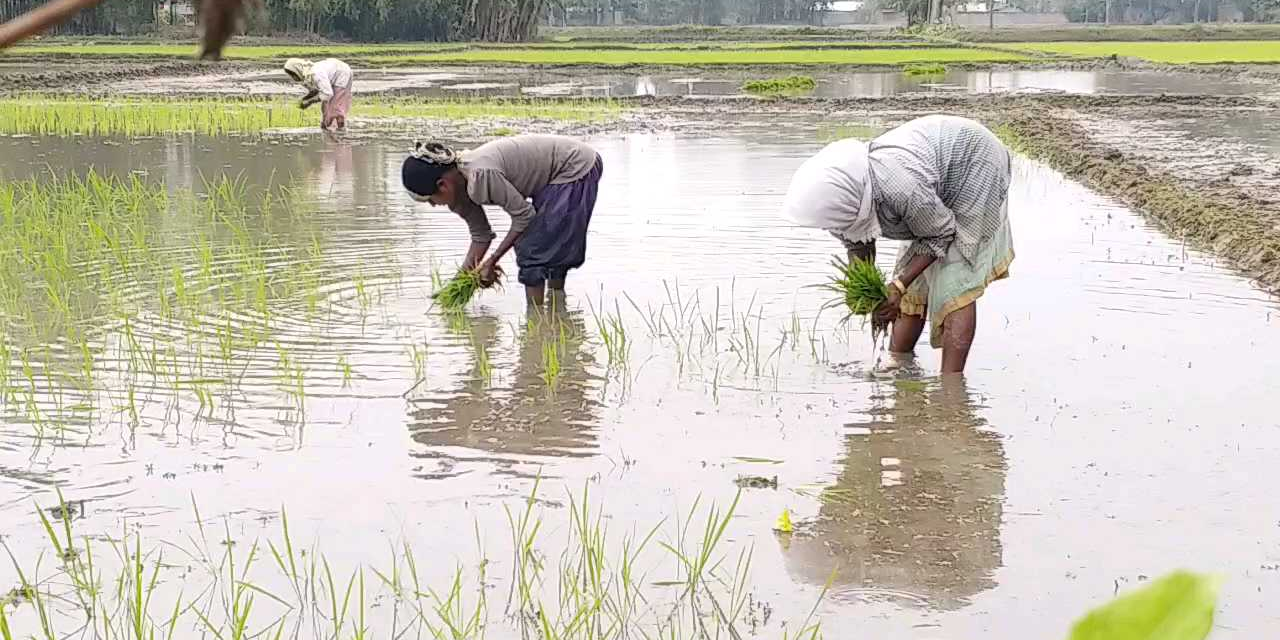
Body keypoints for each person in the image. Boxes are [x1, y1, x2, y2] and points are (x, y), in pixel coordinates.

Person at [782, 114, 1014, 373]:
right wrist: (868, 297)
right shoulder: (845, 206)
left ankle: (951, 388)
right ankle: (898, 362)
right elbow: (858, 246)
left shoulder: (900, 187)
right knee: (909, 282)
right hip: (930, 186)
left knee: (956, 280)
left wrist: (898, 284)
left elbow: (940, 233)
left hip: (975, 163)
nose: (829, 229)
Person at [400, 135, 604, 309]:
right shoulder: (461, 191)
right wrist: (458, 284)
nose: (434, 206)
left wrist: (492, 261)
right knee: (546, 245)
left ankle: (536, 321)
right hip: (556, 174)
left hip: (574, 167)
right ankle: (555, 310)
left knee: (532, 250)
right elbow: (481, 236)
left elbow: (524, 215)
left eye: (430, 201)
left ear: (443, 186)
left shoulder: (480, 175)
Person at [283, 58, 353, 131]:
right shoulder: (307, 74)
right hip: (337, 71)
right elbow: (315, 91)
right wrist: (305, 99)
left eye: (293, 75)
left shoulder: (316, 73)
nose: (293, 78)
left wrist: (309, 101)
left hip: (341, 73)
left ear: (297, 70)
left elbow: (327, 94)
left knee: (335, 108)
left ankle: (340, 132)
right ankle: (328, 131)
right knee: (325, 108)